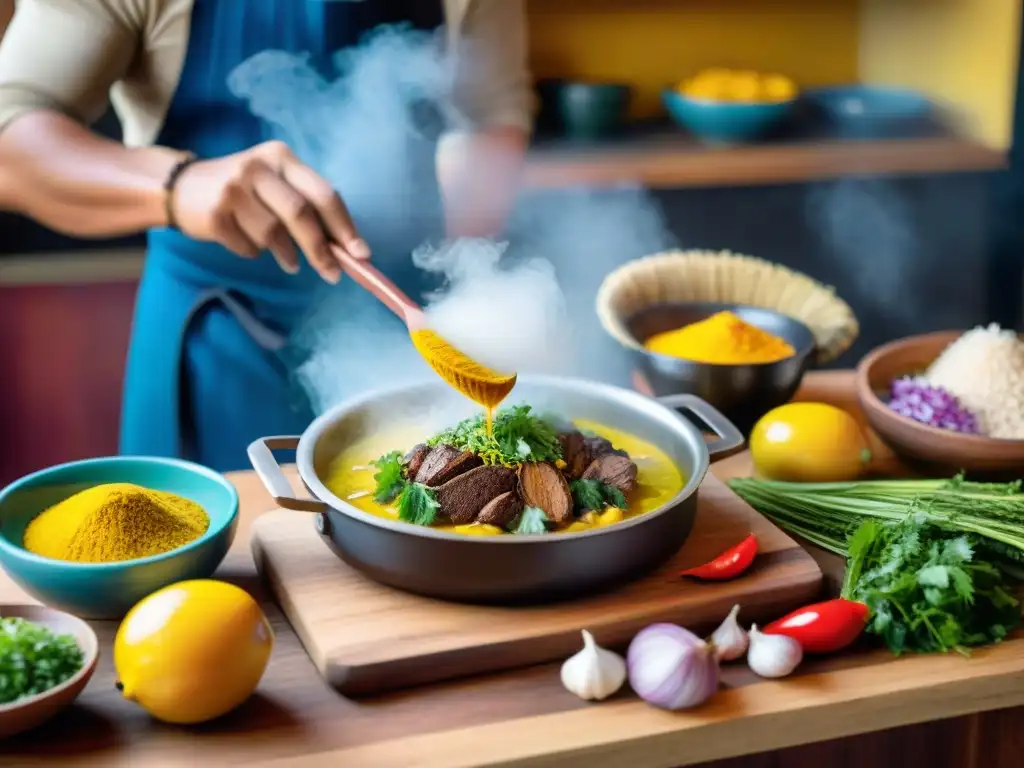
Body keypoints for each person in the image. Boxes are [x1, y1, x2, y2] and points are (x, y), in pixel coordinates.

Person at [0, 0, 533, 472]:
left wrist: (470, 291)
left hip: (404, 334)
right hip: (212, 332)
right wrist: (180, 186)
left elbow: (492, 116)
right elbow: (9, 143)